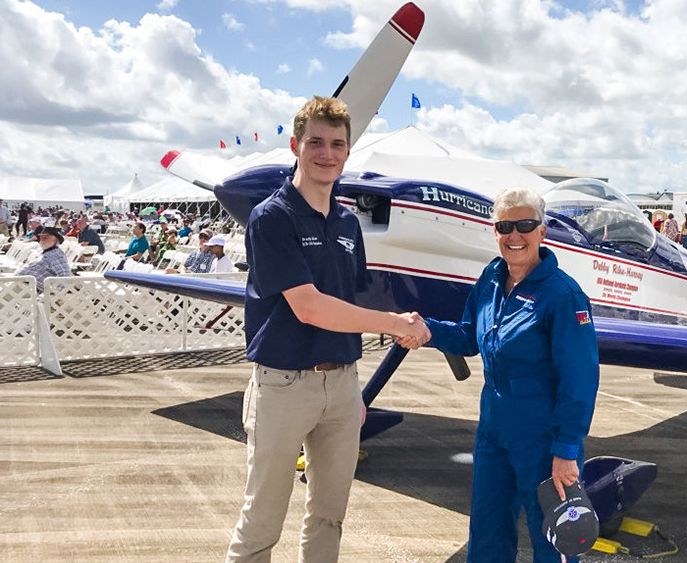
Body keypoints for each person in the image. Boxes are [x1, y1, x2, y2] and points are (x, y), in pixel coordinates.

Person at [225, 95, 429, 563]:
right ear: (296, 146)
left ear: (347, 151)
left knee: (329, 517)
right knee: (261, 523)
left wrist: (351, 390)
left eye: (337, 144)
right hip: (282, 384)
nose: (327, 153)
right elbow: (312, 308)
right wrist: (395, 324)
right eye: (315, 142)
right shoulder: (272, 217)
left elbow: (346, 301)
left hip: (341, 385)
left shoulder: (345, 223)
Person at [406, 187, 600, 563]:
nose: (515, 235)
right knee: (488, 528)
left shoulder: (563, 296)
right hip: (494, 428)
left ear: (542, 232)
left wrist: (566, 449)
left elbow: (580, 379)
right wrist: (427, 330)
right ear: (494, 232)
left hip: (542, 434)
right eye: (505, 226)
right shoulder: (492, 280)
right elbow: (468, 335)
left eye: (525, 225)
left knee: (553, 539)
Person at [17, 227, 71, 293]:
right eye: (41, 238)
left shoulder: (56, 255)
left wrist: (55, 294)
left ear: (55, 241)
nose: (41, 241)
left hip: (29, 290)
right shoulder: (46, 252)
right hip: (21, 285)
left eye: (45, 238)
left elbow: (64, 275)